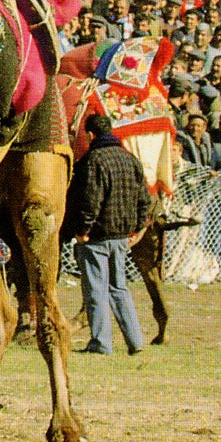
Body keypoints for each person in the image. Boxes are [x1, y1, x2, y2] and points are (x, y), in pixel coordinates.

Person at [67, 113, 152, 356]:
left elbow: (90, 201)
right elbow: (144, 200)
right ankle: (135, 341)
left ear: (90, 135)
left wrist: (81, 230)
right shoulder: (130, 159)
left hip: (97, 236)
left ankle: (102, 343)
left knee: (96, 290)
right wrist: (137, 228)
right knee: (119, 288)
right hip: (122, 236)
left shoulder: (93, 160)